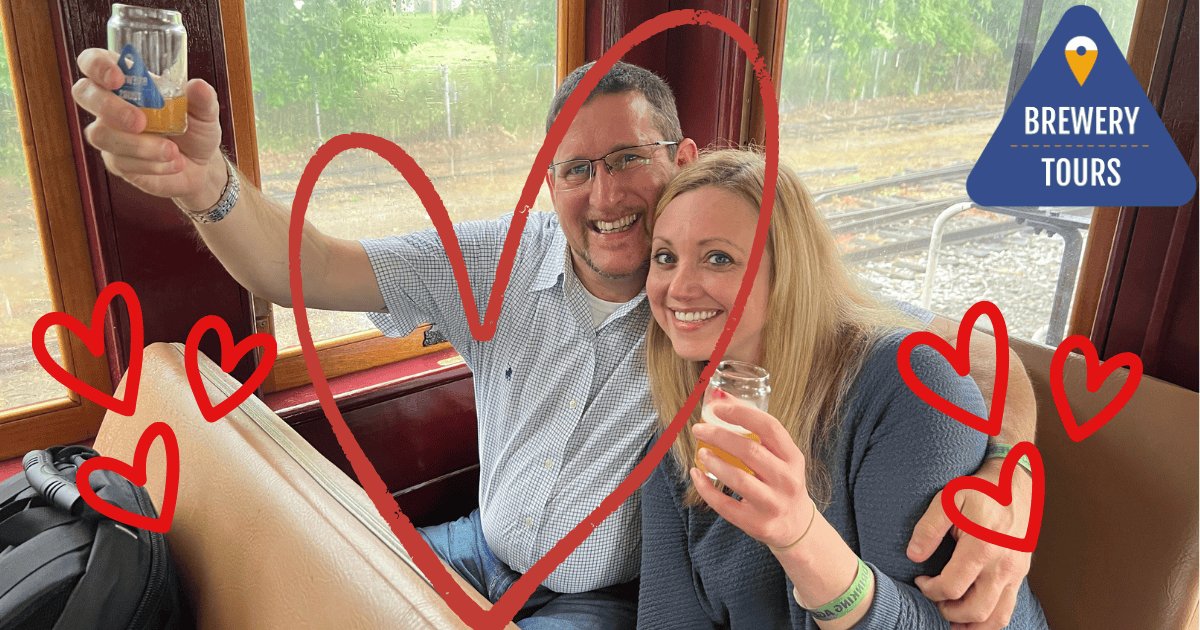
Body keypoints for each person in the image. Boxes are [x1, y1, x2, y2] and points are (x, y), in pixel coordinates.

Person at [70, 51, 1038, 629]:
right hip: (478, 546)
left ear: (681, 157)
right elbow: (306, 268)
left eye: (627, 159)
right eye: (575, 169)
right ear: (546, 184)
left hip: (596, 602)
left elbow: (962, 362)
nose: (604, 195)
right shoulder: (511, 267)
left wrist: (1011, 460)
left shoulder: (748, 310)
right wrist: (207, 187)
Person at [638, 149, 1047, 629]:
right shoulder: (678, 435)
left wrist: (800, 538)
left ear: (789, 271)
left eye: (718, 258)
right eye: (665, 257)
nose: (678, 287)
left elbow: (953, 620)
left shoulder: (912, 386)